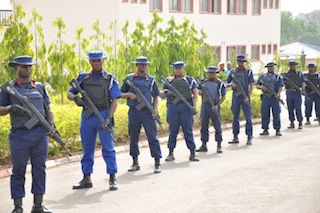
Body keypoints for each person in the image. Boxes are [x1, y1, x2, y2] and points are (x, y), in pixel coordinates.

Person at [0, 56, 53, 213]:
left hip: (39, 133)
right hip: (19, 135)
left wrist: (50, 126)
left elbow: (47, 109)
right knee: (18, 170)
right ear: (16, 68)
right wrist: (10, 108)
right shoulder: (8, 88)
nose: (28, 69)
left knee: (39, 169)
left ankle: (38, 206)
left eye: (30, 66)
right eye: (24, 66)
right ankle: (18, 207)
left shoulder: (39, 87)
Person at [67, 50, 120, 191]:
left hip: (103, 113)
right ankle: (86, 178)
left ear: (102, 61)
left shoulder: (110, 78)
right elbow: (69, 93)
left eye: (99, 60)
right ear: (90, 62)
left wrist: (108, 117)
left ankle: (112, 178)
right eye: (94, 61)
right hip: (88, 115)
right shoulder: (83, 78)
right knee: (87, 148)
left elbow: (115, 100)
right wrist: (76, 98)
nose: (96, 63)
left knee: (108, 148)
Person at [120, 56, 162, 173]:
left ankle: (157, 162)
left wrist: (155, 110)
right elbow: (119, 93)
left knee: (152, 137)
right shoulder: (130, 78)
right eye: (140, 64)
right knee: (133, 137)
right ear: (136, 65)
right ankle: (135, 162)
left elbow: (156, 96)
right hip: (134, 111)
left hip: (147, 113)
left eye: (144, 64)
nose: (142, 66)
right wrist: (129, 95)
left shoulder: (151, 80)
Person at [160, 61, 200, 161]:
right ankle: (170, 153)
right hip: (173, 107)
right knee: (173, 131)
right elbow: (161, 93)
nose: (178, 70)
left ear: (183, 69)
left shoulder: (189, 80)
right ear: (174, 69)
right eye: (176, 68)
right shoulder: (168, 81)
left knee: (188, 130)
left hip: (186, 107)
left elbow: (195, 93)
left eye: (180, 68)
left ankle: (192, 153)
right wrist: (165, 92)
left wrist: (193, 106)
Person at [196, 66, 226, 153]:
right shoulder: (202, 82)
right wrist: (200, 92)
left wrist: (217, 105)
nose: (211, 74)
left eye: (212, 73)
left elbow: (223, 96)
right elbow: (197, 90)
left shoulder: (220, 83)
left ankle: (219, 145)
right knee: (204, 126)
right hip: (205, 106)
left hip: (215, 106)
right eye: (209, 73)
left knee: (217, 126)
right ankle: (204, 144)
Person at [226, 54, 254, 145]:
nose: (240, 63)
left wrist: (248, 96)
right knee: (235, 117)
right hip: (236, 96)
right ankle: (235, 136)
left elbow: (251, 85)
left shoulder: (248, 72)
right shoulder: (233, 72)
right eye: (239, 61)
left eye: (242, 61)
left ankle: (249, 136)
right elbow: (226, 83)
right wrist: (231, 85)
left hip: (245, 95)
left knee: (248, 117)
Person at [256, 62, 284, 136]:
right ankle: (265, 129)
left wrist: (278, 93)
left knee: (276, 114)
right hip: (265, 97)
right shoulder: (263, 77)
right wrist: (262, 87)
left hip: (274, 98)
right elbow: (257, 85)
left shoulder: (278, 77)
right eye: (269, 67)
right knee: (265, 114)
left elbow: (281, 86)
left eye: (272, 67)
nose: (270, 68)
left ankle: (277, 129)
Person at [282, 60, 305, 129]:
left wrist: (303, 90)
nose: (293, 66)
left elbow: (302, 82)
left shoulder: (299, 74)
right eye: (292, 65)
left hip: (297, 92)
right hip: (289, 92)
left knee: (298, 108)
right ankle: (292, 122)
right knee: (290, 108)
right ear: (289, 66)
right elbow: (282, 83)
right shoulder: (286, 74)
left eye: (294, 65)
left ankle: (300, 122)